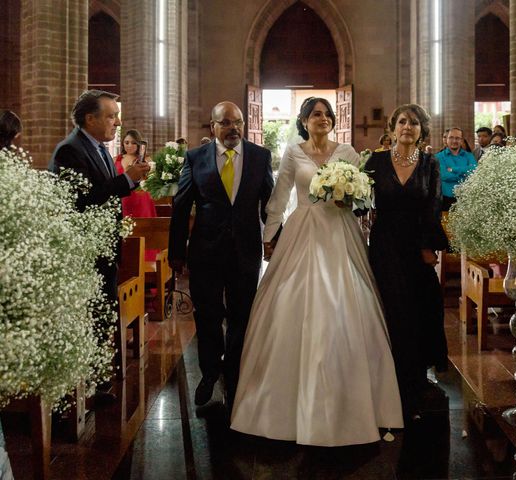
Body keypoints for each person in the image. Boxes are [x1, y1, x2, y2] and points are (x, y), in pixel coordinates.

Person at [231, 97, 403, 446]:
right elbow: (278, 198)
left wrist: (350, 199)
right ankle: (278, 404)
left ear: (332, 119)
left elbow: (365, 201)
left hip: (340, 234)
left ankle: (353, 401)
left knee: (345, 303)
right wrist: (269, 236)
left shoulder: (349, 153)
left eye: (326, 114)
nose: (322, 119)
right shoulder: (294, 153)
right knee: (290, 303)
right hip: (302, 232)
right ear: (304, 121)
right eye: (315, 115)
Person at [168, 101, 274, 407]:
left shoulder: (259, 156)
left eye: (238, 122)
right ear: (212, 127)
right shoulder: (195, 157)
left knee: (242, 316)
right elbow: (181, 206)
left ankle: (235, 374)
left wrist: (275, 241)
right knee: (208, 315)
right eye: (226, 123)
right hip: (206, 252)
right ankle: (210, 373)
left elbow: (269, 205)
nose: (233, 128)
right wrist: (177, 252)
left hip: (245, 251)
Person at [49, 90, 150, 396]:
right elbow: (79, 200)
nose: (117, 122)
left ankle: (97, 380)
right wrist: (126, 180)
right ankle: (87, 385)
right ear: (89, 118)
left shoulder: (100, 148)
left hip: (105, 246)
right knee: (90, 316)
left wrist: (130, 180)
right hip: (86, 251)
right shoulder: (69, 150)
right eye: (110, 115)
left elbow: (105, 191)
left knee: (102, 314)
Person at [365, 104, 448, 421]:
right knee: (393, 306)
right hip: (385, 243)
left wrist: (428, 247)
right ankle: (393, 373)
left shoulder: (430, 163)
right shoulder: (376, 161)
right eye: (402, 121)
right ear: (392, 128)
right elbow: (362, 202)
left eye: (414, 123)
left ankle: (417, 373)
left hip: (417, 244)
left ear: (421, 130)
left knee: (422, 306)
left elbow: (434, 204)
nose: (407, 127)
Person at [115, 129, 157, 218]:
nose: (129, 145)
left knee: (144, 228)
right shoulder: (115, 160)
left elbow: (154, 181)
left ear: (138, 144)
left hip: (142, 199)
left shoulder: (147, 160)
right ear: (122, 144)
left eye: (133, 143)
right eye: (126, 142)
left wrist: (148, 171)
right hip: (123, 199)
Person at [435, 127, 477, 211]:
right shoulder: (438, 157)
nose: (454, 141)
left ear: (461, 141)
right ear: (446, 139)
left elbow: (474, 172)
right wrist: (464, 175)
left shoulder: (469, 156)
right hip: (445, 199)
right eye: (451, 137)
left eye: (457, 138)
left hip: (466, 199)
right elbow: (444, 175)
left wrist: (454, 169)